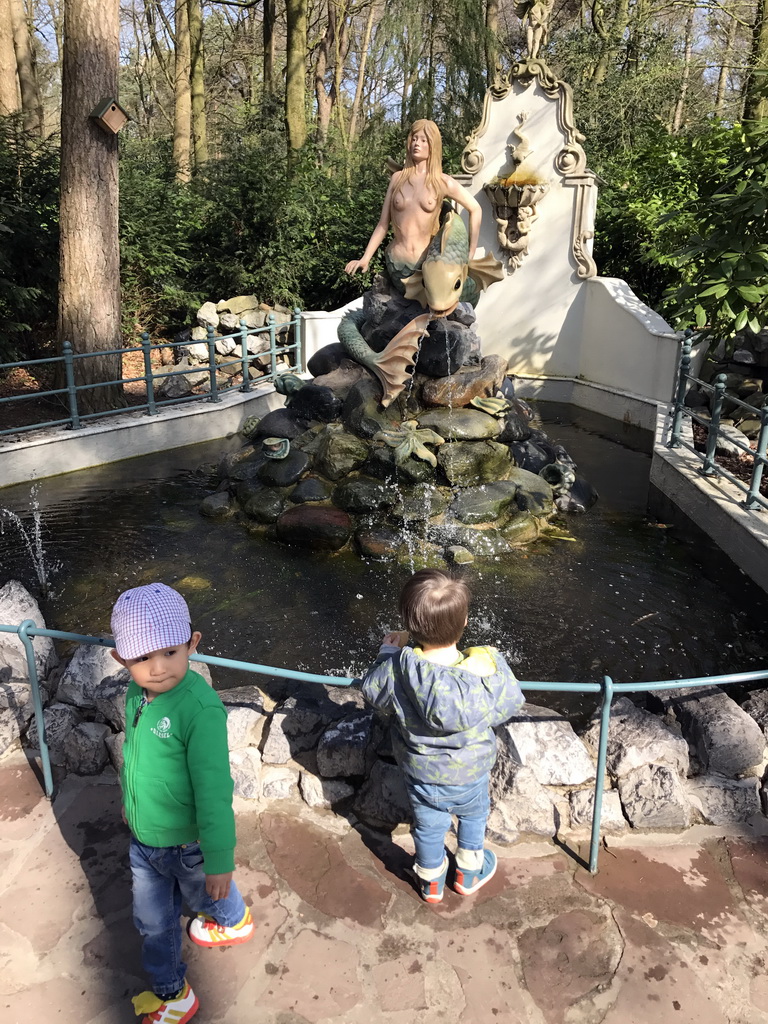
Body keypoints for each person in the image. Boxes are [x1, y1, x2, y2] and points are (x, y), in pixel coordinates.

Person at [110, 582, 253, 1024]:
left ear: (192, 643)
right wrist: (130, 804)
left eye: (170, 652)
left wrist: (219, 859)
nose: (157, 668)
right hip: (144, 838)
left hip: (187, 844)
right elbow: (137, 758)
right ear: (120, 660)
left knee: (205, 893)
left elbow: (214, 791)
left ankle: (228, 925)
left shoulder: (199, 709)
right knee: (152, 922)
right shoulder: (137, 693)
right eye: (141, 658)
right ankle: (178, 988)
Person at [360, 569, 524, 903]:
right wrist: (494, 657)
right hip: (471, 773)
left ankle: (431, 883)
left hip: (424, 776)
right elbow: (510, 703)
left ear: (409, 624)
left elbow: (372, 692)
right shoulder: (485, 671)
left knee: (428, 826)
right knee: (474, 816)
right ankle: (467, 873)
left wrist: (387, 653)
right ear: (464, 622)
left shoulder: (398, 668)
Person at [344, 119, 482, 289]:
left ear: (433, 146)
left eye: (424, 140)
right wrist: (365, 258)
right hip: (396, 263)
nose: (417, 144)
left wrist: (470, 254)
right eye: (414, 138)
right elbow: (382, 224)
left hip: (426, 267)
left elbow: (475, 208)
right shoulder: (397, 179)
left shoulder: (442, 182)